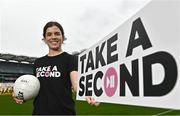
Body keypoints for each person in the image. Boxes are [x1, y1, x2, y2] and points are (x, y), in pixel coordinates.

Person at [13, 21, 99, 115]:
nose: (53, 37)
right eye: (49, 34)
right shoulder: (38, 62)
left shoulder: (71, 59)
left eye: (57, 34)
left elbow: (76, 83)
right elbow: (34, 87)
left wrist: (88, 93)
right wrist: (21, 94)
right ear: (44, 39)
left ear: (63, 38)